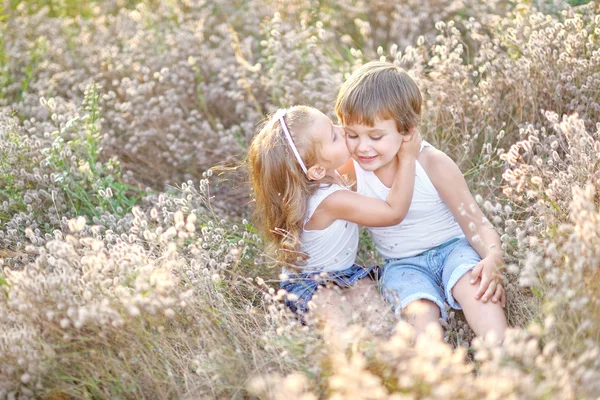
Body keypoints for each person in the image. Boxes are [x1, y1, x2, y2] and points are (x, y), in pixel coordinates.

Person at [335, 61, 508, 341]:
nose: (362, 147)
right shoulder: (352, 170)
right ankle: (435, 372)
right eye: (352, 135)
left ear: (407, 131)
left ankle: (503, 355)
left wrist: (493, 256)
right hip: (402, 264)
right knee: (418, 313)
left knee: (476, 287)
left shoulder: (433, 163)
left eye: (375, 136)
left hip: (453, 249)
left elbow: (474, 221)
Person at [247, 105, 421, 324]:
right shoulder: (331, 201)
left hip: (346, 273)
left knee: (380, 318)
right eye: (334, 136)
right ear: (318, 171)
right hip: (308, 283)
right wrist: (408, 158)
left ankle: (388, 353)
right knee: (339, 323)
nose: (342, 130)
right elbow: (392, 213)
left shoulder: (322, 177)